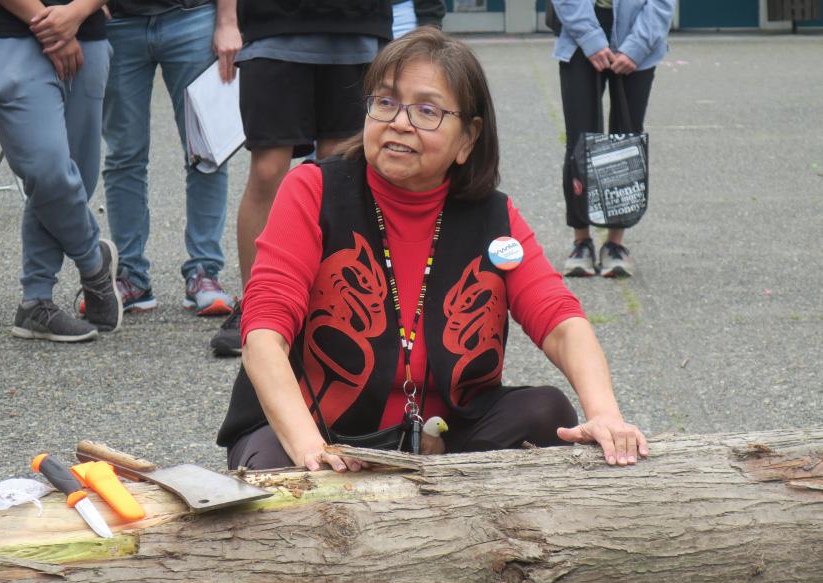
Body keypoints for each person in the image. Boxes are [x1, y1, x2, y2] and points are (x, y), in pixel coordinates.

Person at [217, 28, 648, 473]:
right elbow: (264, 334)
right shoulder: (312, 190)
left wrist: (605, 415)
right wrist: (313, 450)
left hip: (443, 436)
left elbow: (559, 322)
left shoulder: (493, 217)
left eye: (426, 110)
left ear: (468, 138)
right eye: (385, 102)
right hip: (316, 428)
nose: (399, 122)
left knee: (547, 413)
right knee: (272, 468)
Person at [209, 0, 396, 357]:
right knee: (267, 171)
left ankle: (335, 306)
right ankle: (254, 305)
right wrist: (227, 20)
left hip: (357, 28)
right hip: (272, 25)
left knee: (342, 172)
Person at [0, 0, 121, 342]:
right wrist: (51, 25)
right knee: (47, 172)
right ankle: (93, 262)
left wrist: (76, 13)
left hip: (87, 34)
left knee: (76, 179)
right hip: (10, 32)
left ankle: (36, 302)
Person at [100, 0, 241, 315]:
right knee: (124, 155)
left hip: (192, 16)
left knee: (207, 153)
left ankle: (204, 272)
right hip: (120, 22)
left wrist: (227, 20)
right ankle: (129, 275)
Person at [552, 0, 674, 277]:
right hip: (579, 32)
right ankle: (581, 241)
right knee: (579, 143)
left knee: (626, 142)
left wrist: (637, 47)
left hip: (638, 36)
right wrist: (590, 39)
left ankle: (615, 244)